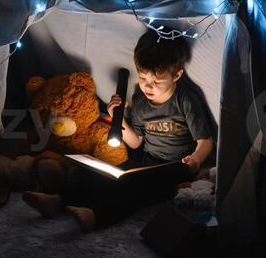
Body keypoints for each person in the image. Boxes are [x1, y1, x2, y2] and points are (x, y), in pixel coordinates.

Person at [23, 31, 216, 231]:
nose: (148, 87)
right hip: (145, 165)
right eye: (142, 78)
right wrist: (118, 117)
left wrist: (195, 159)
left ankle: (97, 217)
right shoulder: (141, 102)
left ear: (176, 75)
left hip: (177, 170)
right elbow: (136, 142)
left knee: (130, 187)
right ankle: (58, 200)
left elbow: (206, 140)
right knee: (101, 175)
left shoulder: (184, 101)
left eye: (156, 82)